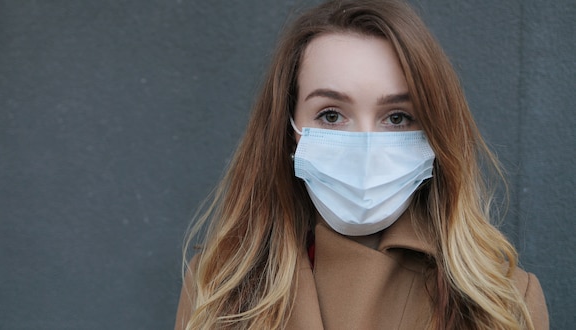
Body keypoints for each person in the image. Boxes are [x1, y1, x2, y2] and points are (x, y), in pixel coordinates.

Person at [175, 0, 549, 329]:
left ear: (434, 133)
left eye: (398, 117)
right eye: (332, 115)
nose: (365, 146)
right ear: (289, 131)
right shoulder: (220, 289)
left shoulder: (503, 301)